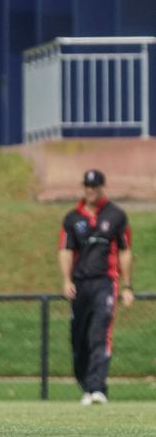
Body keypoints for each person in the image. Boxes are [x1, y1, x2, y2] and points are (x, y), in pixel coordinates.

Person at [58, 169, 134, 406]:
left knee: (99, 334)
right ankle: (86, 385)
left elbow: (125, 250)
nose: (90, 190)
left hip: (105, 282)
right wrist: (66, 280)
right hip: (80, 285)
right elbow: (65, 251)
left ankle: (97, 387)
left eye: (95, 186)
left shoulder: (116, 215)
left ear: (102, 187)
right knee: (78, 339)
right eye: (87, 186)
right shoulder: (72, 218)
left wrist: (127, 286)